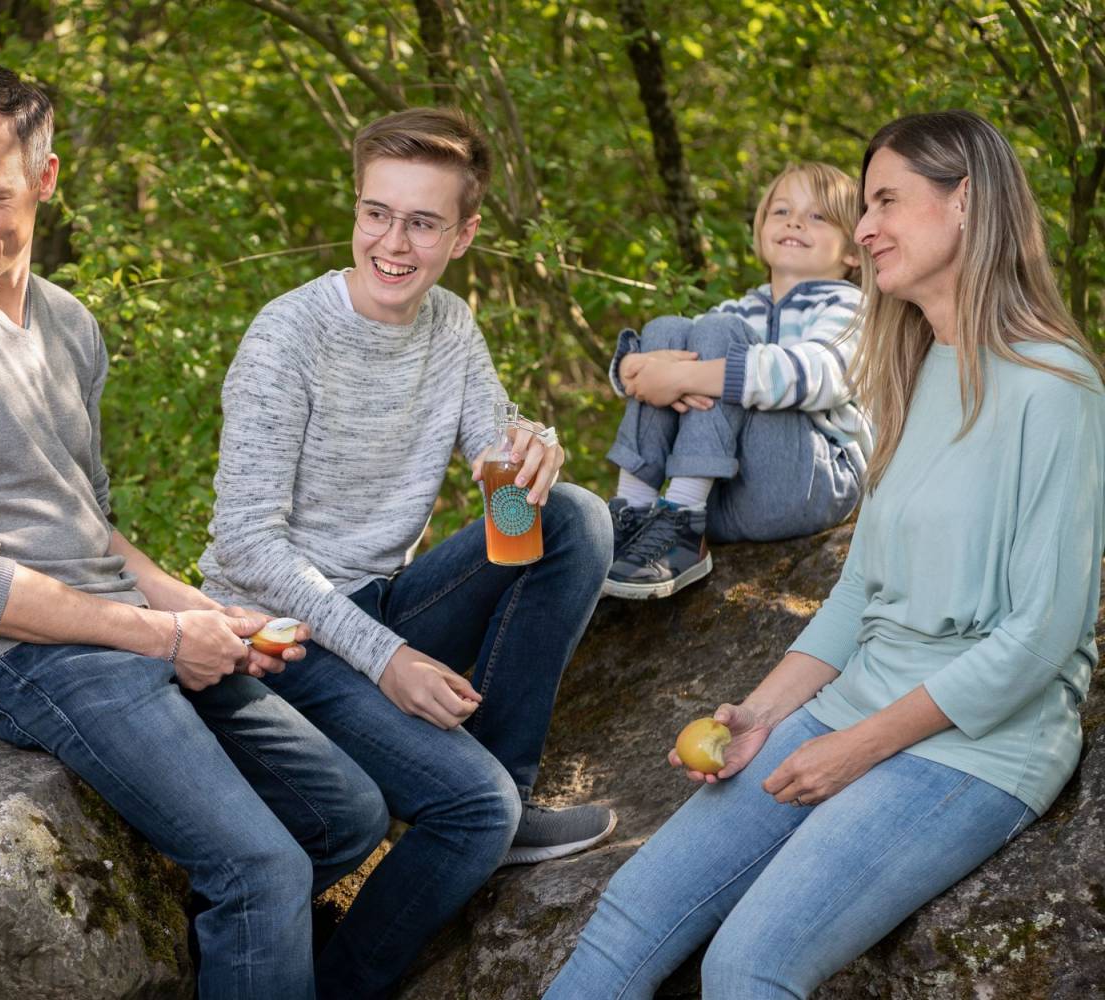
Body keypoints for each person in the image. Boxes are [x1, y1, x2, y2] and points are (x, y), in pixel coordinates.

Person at [0, 63, 387, 998]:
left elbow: (89, 524)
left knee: (347, 815)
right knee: (261, 872)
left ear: (46, 181)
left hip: (114, 625)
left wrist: (204, 612)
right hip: (8, 655)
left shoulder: (69, 323)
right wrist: (163, 635)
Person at [545, 109, 1105, 999]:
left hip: (978, 746)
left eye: (886, 200)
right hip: (851, 702)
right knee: (623, 922)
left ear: (966, 204)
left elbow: (1041, 640)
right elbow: (856, 597)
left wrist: (858, 749)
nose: (867, 227)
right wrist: (760, 716)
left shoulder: (1058, 387)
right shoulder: (911, 369)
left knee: (746, 968)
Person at [198, 107, 616, 999]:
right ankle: (345, 982)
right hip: (278, 634)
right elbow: (245, 541)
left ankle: (508, 783)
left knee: (575, 518)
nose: (392, 242)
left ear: (462, 235)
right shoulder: (287, 335)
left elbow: (504, 499)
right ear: (355, 211)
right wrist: (389, 663)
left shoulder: (451, 325)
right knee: (469, 815)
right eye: (375, 213)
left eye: (422, 222)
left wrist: (529, 450)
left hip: (383, 599)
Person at [601, 162, 870, 599]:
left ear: (853, 251)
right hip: (727, 495)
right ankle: (634, 514)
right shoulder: (743, 308)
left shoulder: (852, 307)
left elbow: (821, 376)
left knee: (719, 335)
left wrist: (689, 376)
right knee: (668, 329)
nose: (795, 221)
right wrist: (634, 368)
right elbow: (662, 365)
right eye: (781, 211)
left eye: (818, 216)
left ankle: (683, 527)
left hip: (806, 484)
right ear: (762, 229)